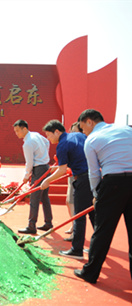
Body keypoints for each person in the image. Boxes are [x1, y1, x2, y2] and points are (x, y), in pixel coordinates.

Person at [74, 109, 132, 284]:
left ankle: (90, 273)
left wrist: (96, 194)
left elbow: (94, 172)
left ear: (89, 121)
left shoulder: (91, 140)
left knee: (102, 232)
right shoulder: (127, 130)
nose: (83, 132)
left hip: (112, 184)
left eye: (83, 128)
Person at [41, 119, 95, 260]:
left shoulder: (62, 144)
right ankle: (97, 247)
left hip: (82, 180)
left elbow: (62, 170)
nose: (48, 138)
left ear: (57, 132)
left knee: (79, 215)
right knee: (93, 214)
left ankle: (77, 250)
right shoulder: (79, 135)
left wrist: (47, 181)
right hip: (93, 176)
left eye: (49, 135)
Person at [13, 119, 52, 234]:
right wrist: (44, 155)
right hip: (45, 167)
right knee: (44, 197)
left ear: (24, 129)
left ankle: (31, 226)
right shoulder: (36, 134)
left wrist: (26, 176)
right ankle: (48, 222)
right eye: (15, 131)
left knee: (34, 198)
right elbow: (47, 142)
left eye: (18, 131)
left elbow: (29, 162)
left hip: (38, 169)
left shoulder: (28, 143)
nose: (17, 133)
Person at [64, 122, 83, 241]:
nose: (72, 134)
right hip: (71, 174)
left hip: (78, 176)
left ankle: (76, 231)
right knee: (69, 202)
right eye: (71, 131)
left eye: (75, 131)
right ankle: (73, 226)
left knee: (72, 202)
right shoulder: (72, 144)